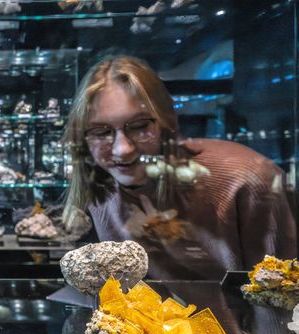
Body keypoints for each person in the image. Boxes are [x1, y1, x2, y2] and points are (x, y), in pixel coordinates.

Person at [62, 55, 297, 280]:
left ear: (165, 123)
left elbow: (283, 295)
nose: (122, 149)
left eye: (140, 126)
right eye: (101, 132)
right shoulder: (102, 189)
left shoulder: (247, 179)